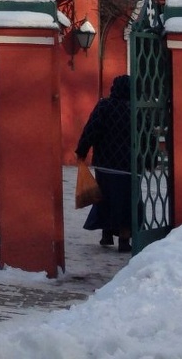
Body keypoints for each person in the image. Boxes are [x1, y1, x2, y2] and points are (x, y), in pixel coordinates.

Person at [76, 73, 133, 252]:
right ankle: (124, 239)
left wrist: (82, 150)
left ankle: (106, 234)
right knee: (126, 202)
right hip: (129, 167)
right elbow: (147, 135)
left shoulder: (105, 106)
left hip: (106, 164)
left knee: (106, 198)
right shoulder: (137, 108)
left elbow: (92, 129)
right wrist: (149, 159)